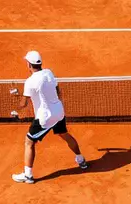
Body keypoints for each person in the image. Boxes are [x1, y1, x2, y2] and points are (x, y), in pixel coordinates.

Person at [13, 50, 89, 183]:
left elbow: (23, 104)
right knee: (64, 134)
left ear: (29, 65)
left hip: (45, 118)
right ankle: (81, 160)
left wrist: (16, 100)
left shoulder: (30, 82)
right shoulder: (49, 73)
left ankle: (28, 175)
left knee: (29, 142)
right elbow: (57, 91)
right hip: (58, 111)